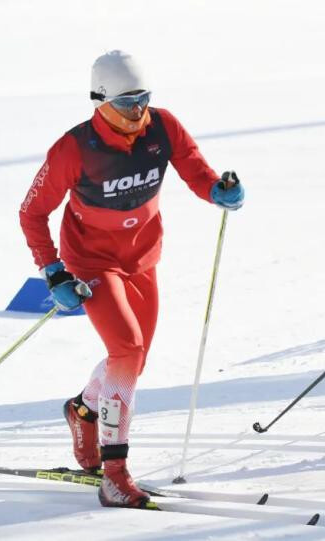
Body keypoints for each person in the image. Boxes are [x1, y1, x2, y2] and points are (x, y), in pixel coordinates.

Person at [18, 50, 245, 508]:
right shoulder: (74, 148)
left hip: (142, 257)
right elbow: (32, 212)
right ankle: (114, 474)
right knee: (127, 349)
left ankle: (82, 410)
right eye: (126, 103)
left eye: (143, 99)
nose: (137, 111)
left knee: (133, 364)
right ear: (99, 101)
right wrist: (53, 270)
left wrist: (216, 190)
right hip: (92, 262)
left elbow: (193, 165)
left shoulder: (163, 127)